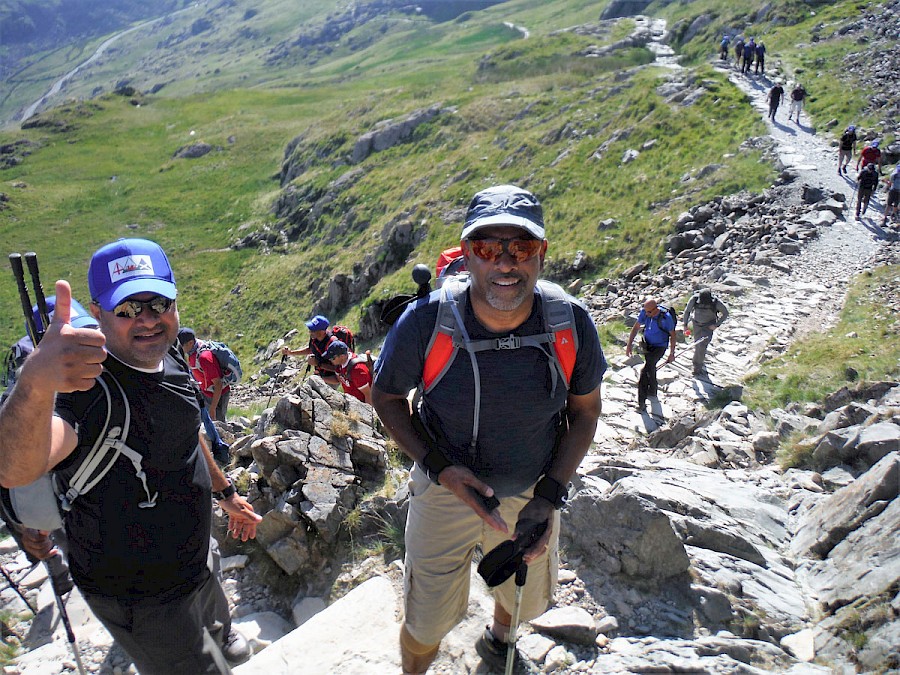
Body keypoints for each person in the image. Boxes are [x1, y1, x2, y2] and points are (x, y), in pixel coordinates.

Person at [371, 185, 605, 675]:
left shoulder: (570, 323)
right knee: (423, 623)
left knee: (521, 591)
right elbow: (387, 398)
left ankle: (500, 637)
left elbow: (585, 412)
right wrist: (442, 471)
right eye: (487, 248)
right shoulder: (424, 323)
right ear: (467, 256)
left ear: (541, 254)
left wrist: (550, 494)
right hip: (442, 492)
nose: (505, 263)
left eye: (520, 247)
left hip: (532, 490)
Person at [0, 238, 261, 674]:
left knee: (214, 616)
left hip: (195, 556)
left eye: (158, 302)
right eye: (127, 310)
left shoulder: (170, 353)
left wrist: (225, 492)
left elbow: (187, 432)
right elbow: (16, 468)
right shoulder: (84, 389)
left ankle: (222, 633)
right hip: (143, 599)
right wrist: (36, 383)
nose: (147, 320)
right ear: (98, 314)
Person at [177, 327, 232, 463]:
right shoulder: (193, 352)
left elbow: (218, 384)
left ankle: (225, 459)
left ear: (190, 343)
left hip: (216, 396)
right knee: (208, 426)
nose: (178, 347)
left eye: (180, 344)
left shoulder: (204, 358)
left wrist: (212, 407)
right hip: (206, 392)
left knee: (217, 425)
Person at [625, 297, 676, 409]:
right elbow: (636, 328)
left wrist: (672, 353)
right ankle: (653, 390)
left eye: (649, 312)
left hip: (660, 347)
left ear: (655, 309)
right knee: (651, 367)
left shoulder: (666, 318)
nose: (646, 314)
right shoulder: (645, 312)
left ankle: (641, 403)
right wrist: (629, 345)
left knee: (644, 371)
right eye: (645, 311)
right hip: (647, 345)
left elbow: (673, 335)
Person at [681, 289, 729, 377]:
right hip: (696, 325)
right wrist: (685, 325)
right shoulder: (694, 299)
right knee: (697, 344)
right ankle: (700, 359)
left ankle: (697, 366)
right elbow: (687, 311)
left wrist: (716, 325)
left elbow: (725, 313)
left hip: (708, 326)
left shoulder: (716, 302)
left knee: (702, 345)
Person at [282, 314, 339, 386]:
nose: (310, 332)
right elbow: (310, 349)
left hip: (332, 380)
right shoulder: (314, 338)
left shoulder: (333, 343)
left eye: (313, 330)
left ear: (322, 331)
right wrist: (290, 352)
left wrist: (318, 364)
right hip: (320, 375)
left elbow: (338, 369)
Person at [324, 340, 372, 404]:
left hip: (362, 405)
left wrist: (368, 413)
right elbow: (339, 380)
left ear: (342, 356)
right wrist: (321, 378)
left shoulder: (357, 370)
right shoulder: (339, 364)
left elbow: (368, 394)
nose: (330, 360)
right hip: (352, 403)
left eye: (332, 358)